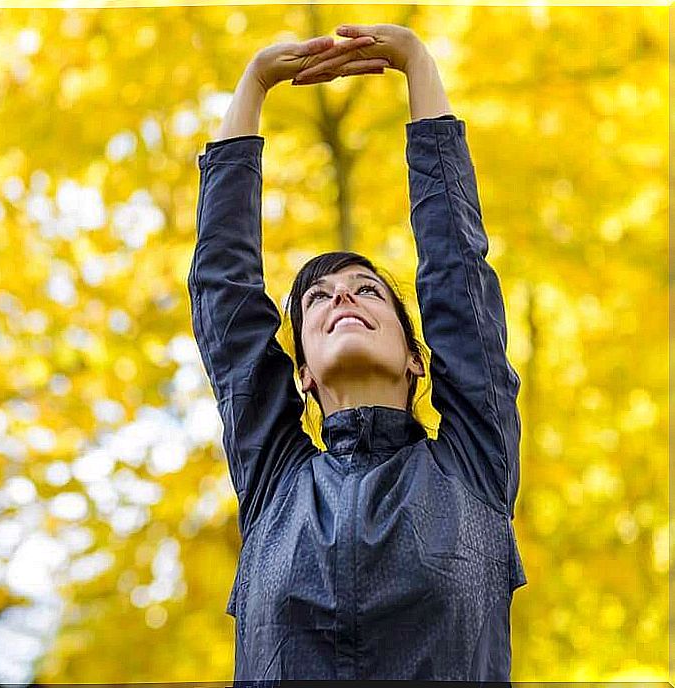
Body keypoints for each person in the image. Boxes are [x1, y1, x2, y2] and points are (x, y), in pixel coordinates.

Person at [187, 23, 528, 680]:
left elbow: (457, 271)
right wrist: (254, 85)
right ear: (304, 374)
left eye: (366, 290)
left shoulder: (473, 465)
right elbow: (223, 293)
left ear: (416, 358)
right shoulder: (275, 484)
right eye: (317, 300)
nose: (341, 299)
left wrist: (416, 65)